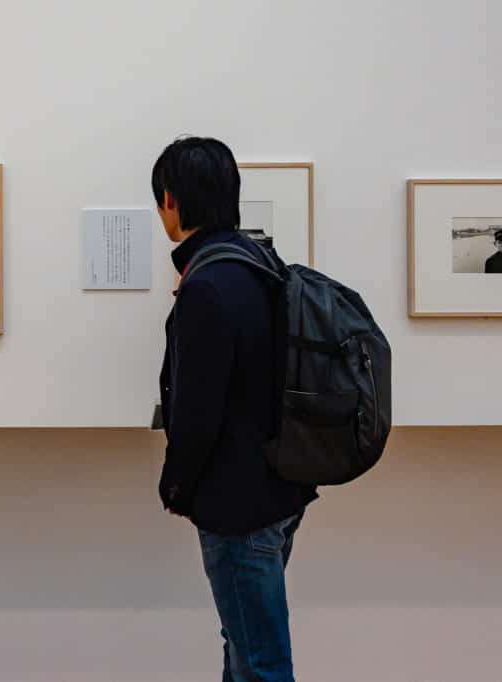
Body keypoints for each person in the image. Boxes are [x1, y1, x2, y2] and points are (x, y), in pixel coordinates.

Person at [152, 137, 318, 682]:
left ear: (172, 202)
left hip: (238, 504)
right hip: (280, 489)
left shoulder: (209, 284)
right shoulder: (257, 263)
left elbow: (197, 410)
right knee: (246, 646)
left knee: (261, 662)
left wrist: (175, 487)